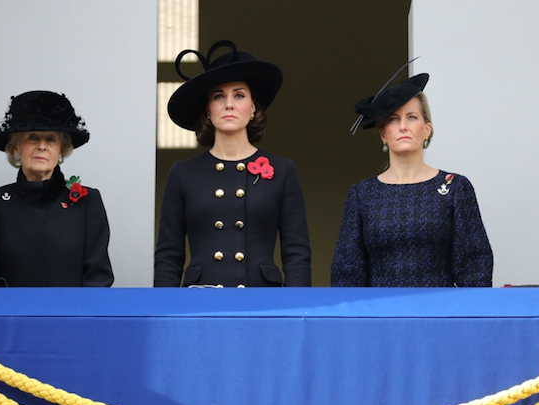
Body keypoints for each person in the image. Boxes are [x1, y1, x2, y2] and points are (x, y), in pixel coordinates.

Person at [154, 40, 312, 287]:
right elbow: (168, 257)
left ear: (252, 108)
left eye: (239, 95)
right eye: (219, 96)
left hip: (263, 302)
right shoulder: (183, 173)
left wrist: (293, 311)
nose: (229, 104)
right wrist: (167, 314)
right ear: (208, 109)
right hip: (199, 303)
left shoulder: (282, 170)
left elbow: (297, 255)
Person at [330, 67, 493, 287]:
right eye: (394, 119)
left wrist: (460, 317)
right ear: (383, 134)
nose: (403, 126)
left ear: (427, 129)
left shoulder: (455, 188)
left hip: (440, 316)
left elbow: (476, 266)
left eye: (412, 117)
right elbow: (346, 273)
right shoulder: (362, 195)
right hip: (380, 317)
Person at [0, 90, 114, 287]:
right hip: (11, 316)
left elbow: (99, 279)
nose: (42, 146)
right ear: (17, 147)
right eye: (33, 137)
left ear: (61, 149)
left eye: (51, 139)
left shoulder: (88, 202)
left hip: (73, 316)